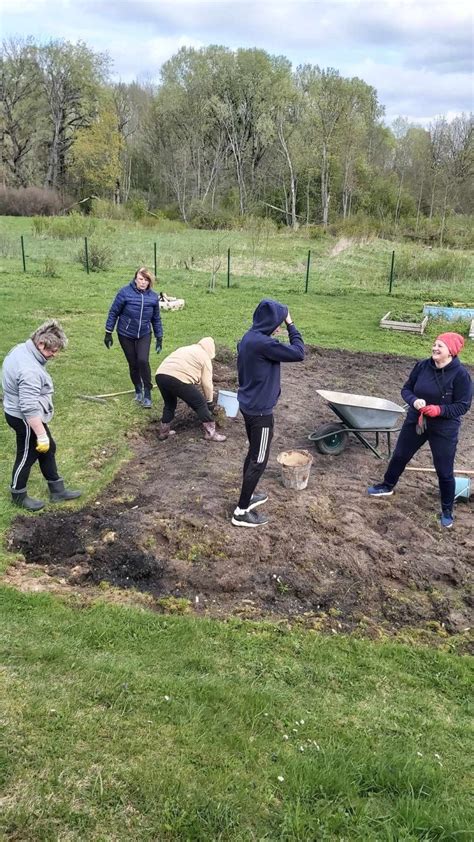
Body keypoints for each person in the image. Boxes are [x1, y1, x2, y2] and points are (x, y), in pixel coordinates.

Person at [368, 332, 472, 528]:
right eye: (435, 344)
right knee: (400, 455)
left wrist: (439, 410)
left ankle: (447, 510)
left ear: (451, 352)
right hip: (417, 420)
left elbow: (463, 405)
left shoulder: (461, 375)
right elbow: (406, 389)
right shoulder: (423, 366)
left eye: (440, 346)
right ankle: (387, 486)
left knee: (444, 470)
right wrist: (414, 401)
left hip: (444, 427)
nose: (435, 348)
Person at [231, 299, 305, 528]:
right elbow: (299, 352)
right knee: (259, 460)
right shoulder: (265, 344)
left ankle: (247, 496)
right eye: (279, 322)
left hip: (248, 403)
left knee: (253, 454)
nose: (280, 326)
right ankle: (241, 511)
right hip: (260, 412)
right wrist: (292, 325)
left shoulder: (250, 338)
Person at [2, 320, 82, 511]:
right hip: (23, 417)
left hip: (17, 409)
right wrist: (41, 434)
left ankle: (57, 489)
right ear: (40, 344)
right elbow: (28, 408)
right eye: (52, 350)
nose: (54, 354)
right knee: (28, 453)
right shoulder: (29, 370)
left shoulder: (22, 348)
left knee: (48, 448)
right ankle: (18, 494)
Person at [104, 267, 163, 408]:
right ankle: (138, 389)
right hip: (126, 333)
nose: (143, 282)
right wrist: (108, 332)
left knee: (143, 360)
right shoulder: (124, 293)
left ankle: (147, 392)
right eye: (140, 279)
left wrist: (159, 336)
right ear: (135, 279)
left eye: (146, 280)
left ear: (150, 282)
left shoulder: (153, 297)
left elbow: (156, 319)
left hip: (144, 333)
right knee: (133, 363)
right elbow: (113, 312)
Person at [155, 337, 226, 442]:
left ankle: (163, 432)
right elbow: (207, 383)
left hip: (160, 375)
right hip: (177, 378)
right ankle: (211, 433)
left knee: (170, 404)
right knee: (200, 403)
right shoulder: (205, 356)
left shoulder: (187, 349)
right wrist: (209, 401)